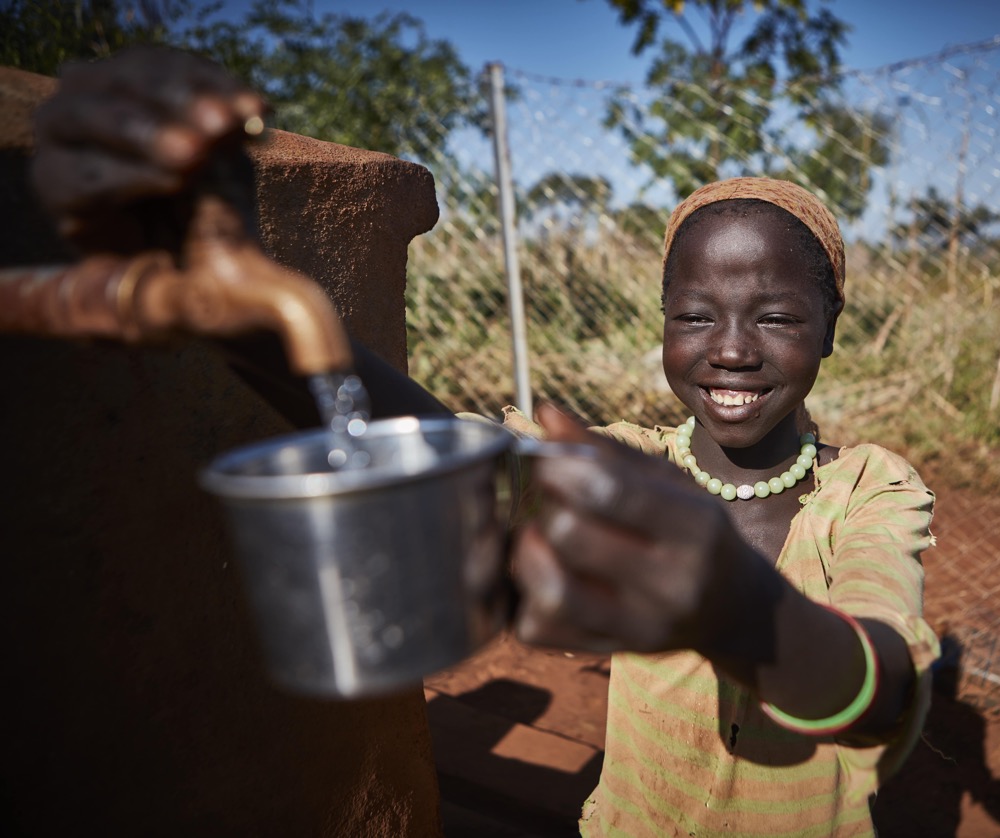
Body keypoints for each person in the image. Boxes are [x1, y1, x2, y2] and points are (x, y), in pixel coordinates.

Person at [33, 47, 939, 837]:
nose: (732, 348)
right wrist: (247, 317)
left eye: (776, 316)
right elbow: (429, 440)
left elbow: (879, 689)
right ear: (663, 326)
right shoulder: (630, 465)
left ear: (829, 329)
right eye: (695, 315)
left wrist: (732, 603)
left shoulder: (867, 493)